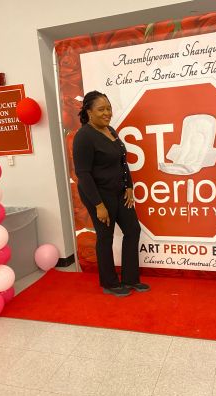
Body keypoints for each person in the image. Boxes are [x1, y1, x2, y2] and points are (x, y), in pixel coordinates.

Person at [73, 90, 150, 297]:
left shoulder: (111, 130)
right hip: (99, 195)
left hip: (119, 192)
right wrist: (98, 205)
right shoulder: (84, 137)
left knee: (133, 230)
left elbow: (122, 161)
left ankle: (130, 278)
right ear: (88, 112)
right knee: (105, 237)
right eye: (101, 109)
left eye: (109, 108)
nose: (107, 113)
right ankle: (110, 283)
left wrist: (129, 186)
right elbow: (83, 175)